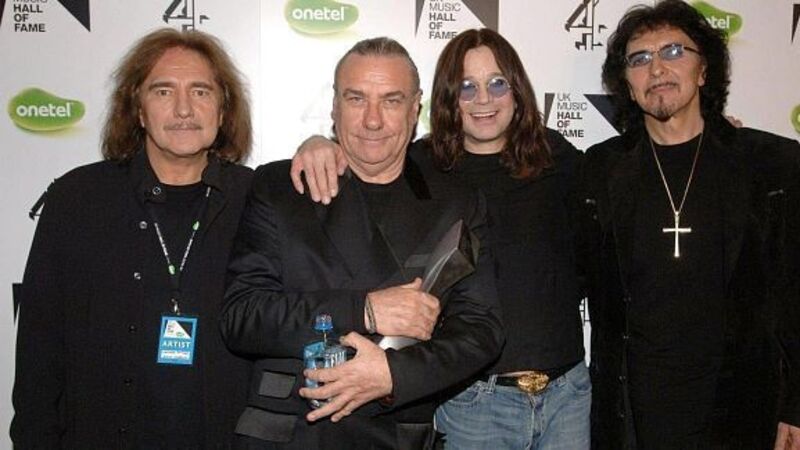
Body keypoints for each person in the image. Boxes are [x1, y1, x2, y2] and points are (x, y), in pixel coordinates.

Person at [290, 29, 590, 449]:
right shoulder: (420, 166)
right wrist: (319, 142)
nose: (483, 99)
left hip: (567, 396)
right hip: (473, 402)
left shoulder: (559, 159)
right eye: (467, 87)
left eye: (497, 83)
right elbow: (363, 154)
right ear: (447, 98)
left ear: (517, 91)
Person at [220, 37, 504, 449]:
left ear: (415, 109)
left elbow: (481, 331)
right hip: (291, 434)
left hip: (397, 434)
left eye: (391, 101)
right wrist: (363, 310)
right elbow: (242, 317)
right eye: (356, 99)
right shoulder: (280, 186)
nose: (373, 120)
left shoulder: (456, 201)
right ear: (334, 106)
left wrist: (394, 374)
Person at [11, 28, 254, 448]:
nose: (183, 109)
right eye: (163, 91)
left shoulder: (257, 200)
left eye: (200, 91)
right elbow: (39, 349)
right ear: (138, 110)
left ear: (223, 109)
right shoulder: (78, 200)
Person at [582, 1, 800, 448]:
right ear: (627, 85)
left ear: (704, 71)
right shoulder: (599, 169)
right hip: (633, 417)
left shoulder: (771, 165)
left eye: (674, 51)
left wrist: (795, 405)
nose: (657, 68)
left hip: (741, 411)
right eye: (639, 58)